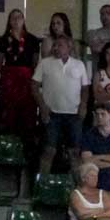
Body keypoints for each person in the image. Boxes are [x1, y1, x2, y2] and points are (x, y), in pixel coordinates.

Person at [33, 33, 89, 177]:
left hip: (74, 114)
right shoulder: (44, 63)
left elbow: (85, 88)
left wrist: (83, 105)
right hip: (52, 113)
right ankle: (42, 184)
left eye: (60, 45)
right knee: (48, 150)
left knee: (75, 152)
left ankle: (77, 186)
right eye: (55, 45)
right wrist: (42, 106)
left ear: (69, 47)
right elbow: (34, 86)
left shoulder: (79, 64)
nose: (56, 48)